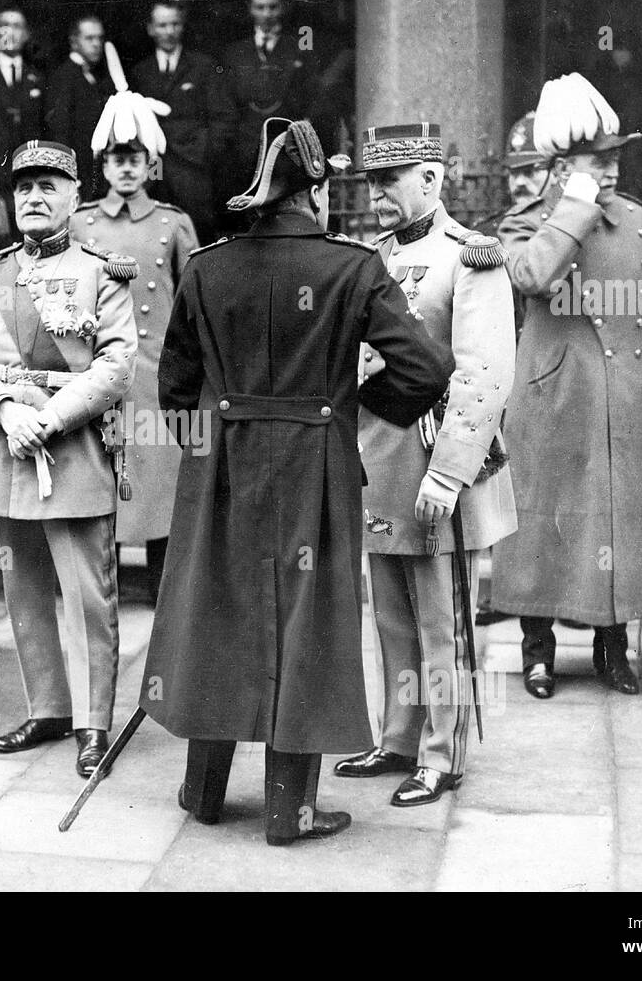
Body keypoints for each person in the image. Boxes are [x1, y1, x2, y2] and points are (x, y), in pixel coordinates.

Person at [140, 118, 455, 845]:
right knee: (306, 624)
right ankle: (292, 809)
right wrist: (347, 406)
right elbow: (426, 371)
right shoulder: (352, 268)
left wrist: (218, 437)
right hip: (315, 464)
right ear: (314, 190)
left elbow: (175, 387)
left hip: (222, 466)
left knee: (218, 613)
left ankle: (205, 791)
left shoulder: (206, 266)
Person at [333, 123, 517, 807]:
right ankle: (400, 737)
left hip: (437, 460)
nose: (378, 191)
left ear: (431, 180)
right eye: (372, 180)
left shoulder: (470, 257)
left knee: (443, 619)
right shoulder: (367, 256)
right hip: (376, 461)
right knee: (389, 615)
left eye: (392, 178)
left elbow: (483, 373)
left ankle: (443, 754)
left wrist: (448, 473)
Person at [490, 72, 642, 700]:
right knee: (542, 521)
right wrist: (573, 206)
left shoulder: (636, 222)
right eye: (598, 160)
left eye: (615, 158)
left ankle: (613, 648)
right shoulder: (526, 224)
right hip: (554, 391)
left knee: (619, 523)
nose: (612, 169)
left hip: (625, 389)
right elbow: (533, 277)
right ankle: (538, 650)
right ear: (562, 165)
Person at [0, 139, 138, 778]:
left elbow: (116, 364)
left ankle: (93, 723)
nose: (33, 197)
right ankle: (49, 707)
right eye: (24, 186)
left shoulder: (102, 272)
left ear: (75, 197)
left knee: (87, 593)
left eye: (48, 186)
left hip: (71, 445)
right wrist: (4, 409)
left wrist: (49, 418)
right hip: (3, 443)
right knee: (21, 586)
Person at [69, 41, 198, 602]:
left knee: (158, 479)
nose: (126, 167)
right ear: (102, 166)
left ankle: (166, 585)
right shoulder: (80, 223)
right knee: (102, 475)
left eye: (135, 158)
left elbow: (191, 305)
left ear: (152, 165)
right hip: (99, 373)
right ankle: (104, 582)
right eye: (116, 158)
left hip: (153, 376)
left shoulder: (173, 224)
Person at [472, 111, 549, 629]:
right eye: (514, 170)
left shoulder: (561, 235)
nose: (520, 181)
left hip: (547, 377)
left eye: (533, 169)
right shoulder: (487, 234)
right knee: (501, 488)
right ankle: (504, 596)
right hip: (502, 380)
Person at [130, 0, 234, 243]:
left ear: (183, 26)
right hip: (155, 168)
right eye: (162, 25)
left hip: (193, 167)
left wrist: (205, 152)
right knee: (154, 232)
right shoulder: (140, 72)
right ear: (150, 29)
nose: (169, 31)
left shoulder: (203, 66)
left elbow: (224, 117)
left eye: (175, 24)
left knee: (197, 233)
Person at [220, 0, 319, 196]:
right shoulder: (234, 53)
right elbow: (227, 103)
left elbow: (311, 97)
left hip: (287, 145)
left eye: (272, 7)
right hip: (246, 148)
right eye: (260, 7)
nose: (266, 14)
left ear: (282, 8)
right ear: (250, 9)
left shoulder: (299, 49)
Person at [0, 7, 46, 223]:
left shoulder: (37, 77)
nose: (11, 32)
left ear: (26, 35)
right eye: (5, 26)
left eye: (17, 27)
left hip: (25, 173)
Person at [46, 14, 114, 202]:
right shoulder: (64, 77)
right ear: (74, 42)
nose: (96, 44)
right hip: (79, 178)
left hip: (96, 176)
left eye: (100, 38)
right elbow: (60, 131)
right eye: (89, 38)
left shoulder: (94, 76)